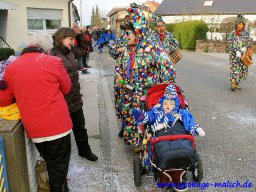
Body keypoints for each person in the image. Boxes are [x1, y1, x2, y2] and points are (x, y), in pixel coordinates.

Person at [0, 32, 72, 191]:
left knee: (52, 162)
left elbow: (4, 99)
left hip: (34, 128)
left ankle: (62, 186)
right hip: (58, 125)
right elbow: (67, 88)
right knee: (59, 165)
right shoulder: (54, 62)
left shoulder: (12, 67)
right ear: (47, 49)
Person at [115, 3, 175, 145]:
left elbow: (168, 67)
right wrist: (120, 79)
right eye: (125, 33)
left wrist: (164, 88)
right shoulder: (127, 50)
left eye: (128, 33)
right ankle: (136, 143)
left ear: (138, 32)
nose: (125, 36)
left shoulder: (151, 48)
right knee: (131, 120)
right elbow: (120, 69)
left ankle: (145, 148)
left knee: (145, 125)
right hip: (128, 95)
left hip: (145, 96)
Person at [50, 27, 98, 161]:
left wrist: (80, 34)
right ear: (61, 38)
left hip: (75, 99)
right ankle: (62, 160)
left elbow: (84, 49)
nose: (72, 42)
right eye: (69, 39)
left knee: (80, 128)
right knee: (62, 134)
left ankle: (85, 151)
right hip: (62, 100)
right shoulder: (52, 55)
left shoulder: (70, 52)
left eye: (72, 38)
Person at [132, 84, 205, 137]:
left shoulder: (180, 112)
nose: (168, 105)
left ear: (175, 105)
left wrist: (197, 129)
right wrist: (142, 116)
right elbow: (150, 116)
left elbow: (188, 121)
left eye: (171, 104)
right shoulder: (157, 111)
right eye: (165, 103)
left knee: (184, 144)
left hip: (178, 133)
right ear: (162, 103)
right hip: (162, 135)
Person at [227, 14, 253, 91]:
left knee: (242, 69)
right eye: (239, 24)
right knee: (234, 69)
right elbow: (230, 43)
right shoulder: (232, 34)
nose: (240, 25)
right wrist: (236, 50)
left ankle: (237, 83)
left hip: (243, 55)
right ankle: (233, 83)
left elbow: (250, 41)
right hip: (234, 55)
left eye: (242, 24)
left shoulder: (246, 33)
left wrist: (245, 47)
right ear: (236, 25)